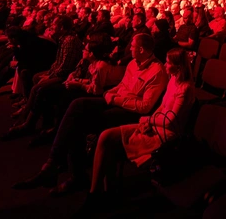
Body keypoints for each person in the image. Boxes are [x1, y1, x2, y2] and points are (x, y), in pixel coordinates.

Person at [12, 34, 167, 194]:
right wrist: (110, 93)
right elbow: (122, 85)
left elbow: (145, 107)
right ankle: (53, 164)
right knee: (77, 104)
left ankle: (68, 173)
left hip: (130, 112)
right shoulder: (134, 63)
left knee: (77, 123)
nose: (129, 48)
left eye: (132, 46)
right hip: (116, 100)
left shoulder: (157, 71)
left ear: (141, 49)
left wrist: (113, 98)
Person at [77, 49, 195, 212]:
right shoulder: (173, 79)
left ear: (178, 67)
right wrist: (151, 120)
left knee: (110, 142)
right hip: (156, 125)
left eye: (168, 62)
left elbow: (171, 121)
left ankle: (99, 197)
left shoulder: (186, 88)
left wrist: (147, 120)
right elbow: (162, 107)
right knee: (106, 136)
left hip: (166, 134)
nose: (165, 64)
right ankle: (99, 191)